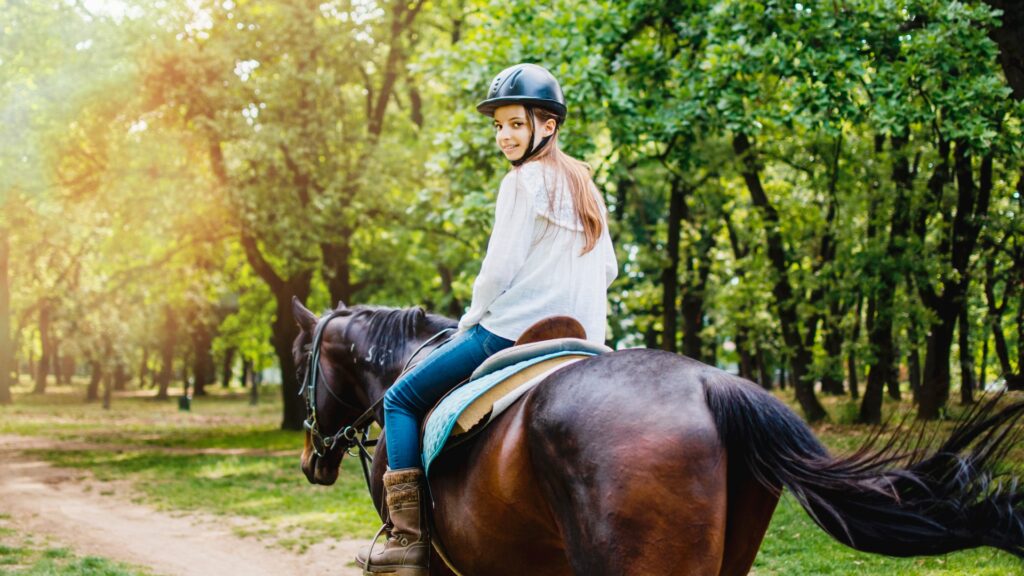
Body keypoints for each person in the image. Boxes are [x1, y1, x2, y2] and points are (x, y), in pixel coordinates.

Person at [356, 62, 618, 576]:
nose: (504, 136)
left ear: (548, 125)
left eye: (516, 124)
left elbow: (498, 271)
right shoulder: (584, 185)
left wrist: (472, 317)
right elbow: (608, 268)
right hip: (583, 337)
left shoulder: (522, 183)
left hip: (510, 332)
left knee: (401, 398)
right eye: (498, 125)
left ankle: (407, 537)